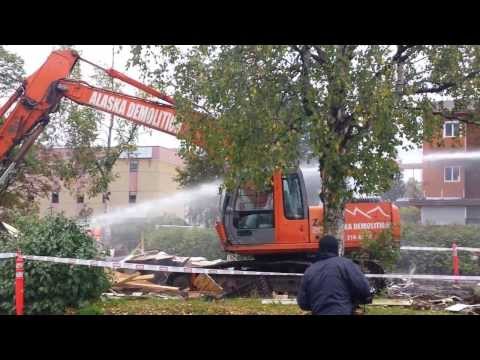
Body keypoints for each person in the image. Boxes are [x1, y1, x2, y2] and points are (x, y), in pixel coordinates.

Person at [297, 235, 373, 315]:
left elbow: (303, 303)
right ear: (336, 249)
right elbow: (364, 290)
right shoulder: (347, 264)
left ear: (320, 249)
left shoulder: (310, 270)